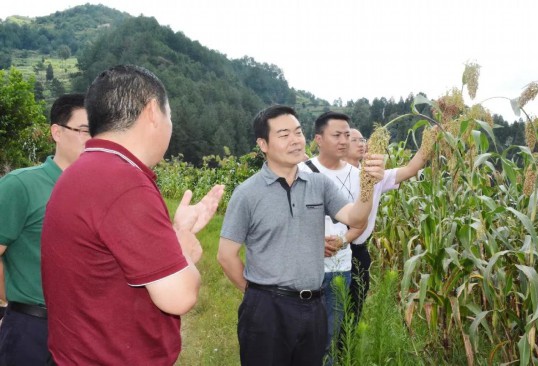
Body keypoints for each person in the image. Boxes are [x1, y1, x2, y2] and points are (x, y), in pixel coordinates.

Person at [41, 65, 224, 365]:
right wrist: (183, 248)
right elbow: (179, 296)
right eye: (170, 114)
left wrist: (177, 229)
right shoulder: (123, 182)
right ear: (153, 111)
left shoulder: (82, 171)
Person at [217, 105, 385, 366]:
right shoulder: (247, 193)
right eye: (284, 135)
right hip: (266, 310)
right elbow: (226, 256)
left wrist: (368, 187)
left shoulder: (319, 185)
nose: (295, 140)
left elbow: (355, 218)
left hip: (314, 306)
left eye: (298, 132)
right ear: (263, 144)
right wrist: (258, 297)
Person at [0, 93, 90, 366]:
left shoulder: (96, 191)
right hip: (32, 328)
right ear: (57, 132)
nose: (93, 139)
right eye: (85, 130)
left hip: (85, 332)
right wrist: (8, 302)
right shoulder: (22, 185)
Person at [344, 127, 430, 322]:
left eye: (363, 139)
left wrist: (429, 140)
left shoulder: (377, 177)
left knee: (355, 306)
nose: (362, 144)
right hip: (333, 250)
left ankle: (343, 349)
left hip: (358, 251)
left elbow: (411, 169)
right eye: (355, 140)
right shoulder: (329, 174)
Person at [298, 112, 363, 360]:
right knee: (302, 335)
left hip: (340, 268)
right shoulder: (300, 172)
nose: (344, 140)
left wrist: (342, 241)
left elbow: (361, 222)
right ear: (319, 139)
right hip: (304, 266)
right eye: (336, 135)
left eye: (347, 135)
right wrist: (313, 243)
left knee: (330, 337)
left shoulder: (358, 177)